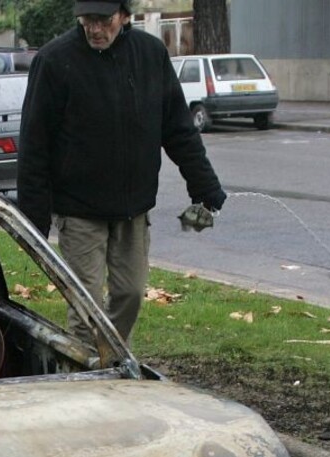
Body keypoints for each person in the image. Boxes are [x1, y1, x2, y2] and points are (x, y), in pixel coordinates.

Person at [17, 0, 227, 343]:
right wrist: (33, 221)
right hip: (79, 211)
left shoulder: (150, 55)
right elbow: (34, 146)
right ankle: (89, 380)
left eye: (104, 20)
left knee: (129, 294)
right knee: (85, 307)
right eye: (87, 20)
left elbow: (178, 129)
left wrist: (204, 187)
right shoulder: (55, 61)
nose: (95, 29)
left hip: (133, 209)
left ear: (125, 16)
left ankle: (109, 357)